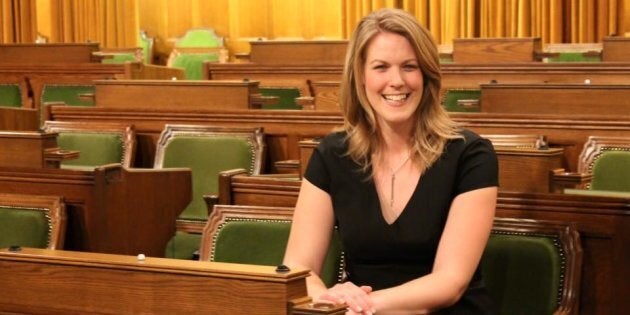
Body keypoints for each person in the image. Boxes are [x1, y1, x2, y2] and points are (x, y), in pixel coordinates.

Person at [283, 8, 499, 315]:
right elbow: (297, 268)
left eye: (409, 66)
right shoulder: (332, 154)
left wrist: (360, 305)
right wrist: (325, 297)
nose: (396, 81)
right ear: (360, 76)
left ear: (426, 75)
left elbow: (450, 282)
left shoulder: (470, 155)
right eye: (381, 67)